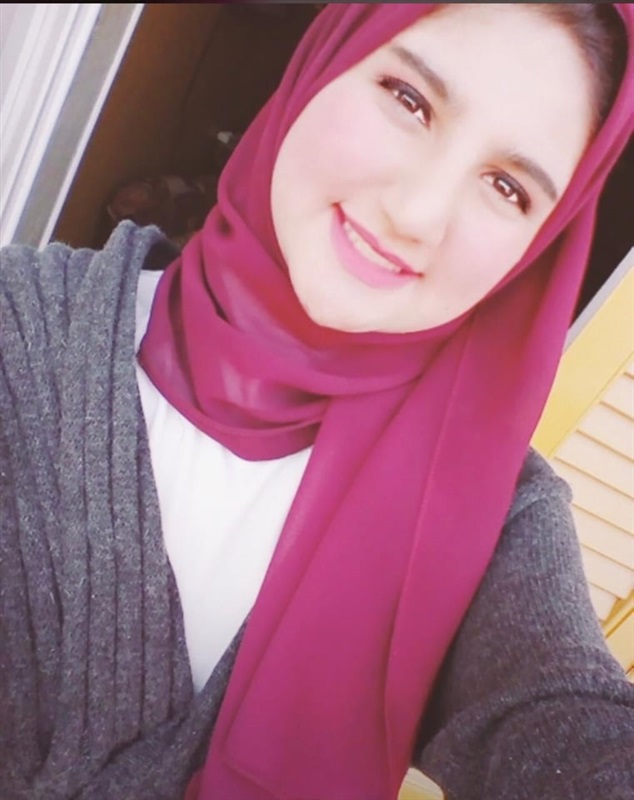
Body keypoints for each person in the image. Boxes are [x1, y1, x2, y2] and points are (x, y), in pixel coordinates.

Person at [1, 3, 633, 799]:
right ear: (324, 63)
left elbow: (560, 716)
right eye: (409, 99)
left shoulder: (487, 516)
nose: (417, 213)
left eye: (507, 187)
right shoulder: (20, 326)